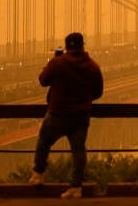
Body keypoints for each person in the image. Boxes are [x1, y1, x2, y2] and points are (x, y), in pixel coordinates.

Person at [29, 32, 104, 199]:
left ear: (66, 46)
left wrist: (53, 60)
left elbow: (43, 80)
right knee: (78, 151)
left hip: (57, 114)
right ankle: (76, 188)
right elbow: (98, 92)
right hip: (81, 116)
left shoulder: (58, 63)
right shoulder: (92, 66)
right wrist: (82, 100)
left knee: (44, 140)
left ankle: (38, 175)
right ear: (83, 45)